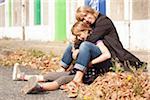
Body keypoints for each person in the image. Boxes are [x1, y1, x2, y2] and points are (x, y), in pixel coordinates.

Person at [13, 21, 112, 97]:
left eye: (79, 34)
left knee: (62, 79)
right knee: (51, 75)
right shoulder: (80, 43)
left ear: (86, 30)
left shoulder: (97, 42)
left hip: (88, 74)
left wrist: (91, 62)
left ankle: (39, 87)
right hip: (75, 71)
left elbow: (107, 55)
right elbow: (75, 54)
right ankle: (21, 76)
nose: (79, 37)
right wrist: (73, 44)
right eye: (76, 36)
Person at [75, 6, 147, 69]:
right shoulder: (92, 24)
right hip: (102, 52)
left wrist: (78, 47)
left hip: (112, 54)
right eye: (83, 20)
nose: (86, 20)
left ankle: (78, 75)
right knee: (71, 46)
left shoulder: (103, 22)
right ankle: (65, 68)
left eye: (86, 15)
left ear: (90, 11)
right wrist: (75, 47)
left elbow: (91, 39)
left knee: (85, 45)